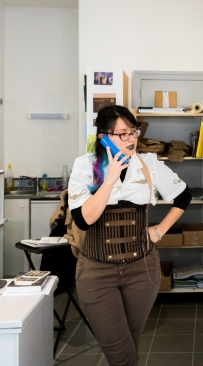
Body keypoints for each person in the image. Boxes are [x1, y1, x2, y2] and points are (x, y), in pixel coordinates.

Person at [68, 105, 191, 366]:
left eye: (133, 132)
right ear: (104, 137)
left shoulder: (147, 163)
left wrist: (159, 231)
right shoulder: (85, 166)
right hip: (96, 272)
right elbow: (83, 219)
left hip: (141, 271)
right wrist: (110, 178)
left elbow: (183, 196)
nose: (131, 139)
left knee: (129, 349)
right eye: (122, 134)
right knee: (122, 355)